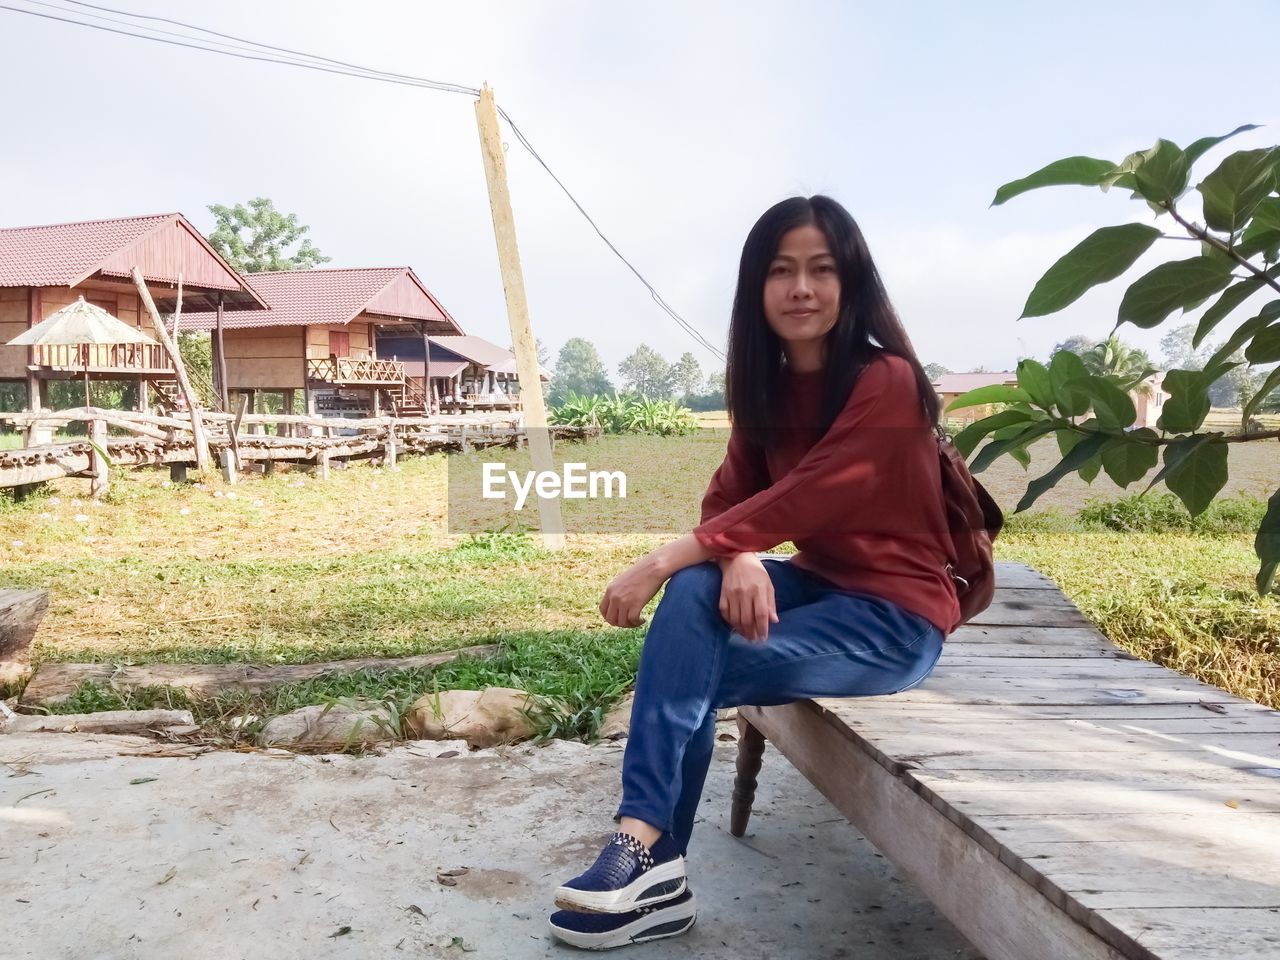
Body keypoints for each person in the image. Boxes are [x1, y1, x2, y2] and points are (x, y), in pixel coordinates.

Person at [547, 195, 960, 950]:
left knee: (685, 653)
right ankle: (653, 865)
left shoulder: (888, 379)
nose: (801, 288)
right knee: (699, 593)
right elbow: (734, 498)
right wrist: (733, 553)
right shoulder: (766, 387)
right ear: (756, 287)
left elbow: (815, 490)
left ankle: (648, 854)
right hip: (819, 582)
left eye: (821, 270)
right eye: (781, 271)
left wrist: (661, 559)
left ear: (850, 281)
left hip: (894, 620)